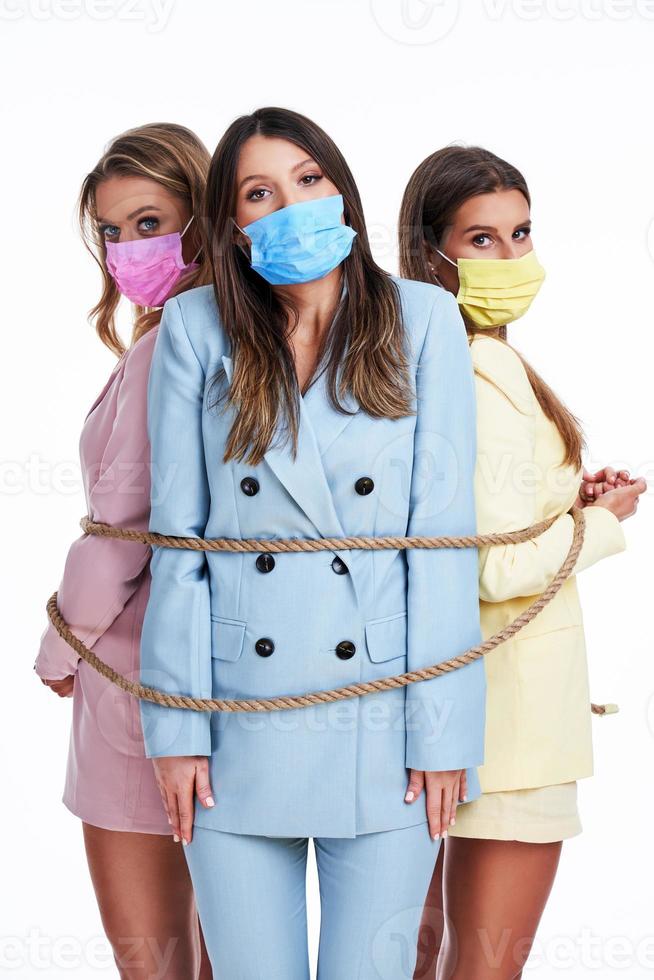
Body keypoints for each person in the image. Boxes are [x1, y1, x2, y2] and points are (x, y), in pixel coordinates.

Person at [138, 106, 487, 980]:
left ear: (342, 192)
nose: (292, 203)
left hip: (383, 720)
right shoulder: (194, 330)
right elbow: (179, 544)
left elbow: (442, 542)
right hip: (232, 729)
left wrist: (443, 732)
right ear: (232, 224)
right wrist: (174, 727)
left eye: (309, 178)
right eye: (261, 191)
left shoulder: (424, 321)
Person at [399, 144, 646, 980]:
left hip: (471, 723)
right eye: (482, 240)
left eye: (521, 233)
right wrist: (605, 524)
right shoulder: (478, 368)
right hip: (511, 734)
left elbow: (482, 528)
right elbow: (489, 569)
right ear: (431, 255)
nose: (512, 258)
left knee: (431, 958)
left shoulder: (454, 361)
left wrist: (567, 503)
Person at [34, 123, 214, 980]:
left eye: (150, 222)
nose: (127, 248)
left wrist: (59, 644)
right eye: (111, 231)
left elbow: (120, 525)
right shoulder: (234, 335)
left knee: (153, 964)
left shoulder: (168, 346)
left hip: (132, 683)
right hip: (213, 686)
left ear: (203, 218)